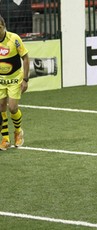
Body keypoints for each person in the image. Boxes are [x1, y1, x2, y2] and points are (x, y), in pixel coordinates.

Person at [0, 15, 29, 150]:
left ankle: (18, 132)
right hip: (0, 80)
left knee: (12, 107)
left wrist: (25, 79)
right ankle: (5, 138)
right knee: (1, 108)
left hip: (15, 79)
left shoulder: (14, 39)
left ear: (4, 26)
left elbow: (25, 57)